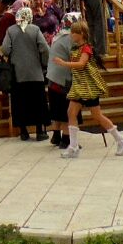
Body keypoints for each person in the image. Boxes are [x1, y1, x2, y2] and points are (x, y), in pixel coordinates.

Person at [56, 20, 123, 159]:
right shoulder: (76, 48)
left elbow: (81, 64)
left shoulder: (86, 49)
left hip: (88, 87)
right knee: (71, 113)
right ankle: (73, 146)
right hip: (78, 86)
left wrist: (64, 63)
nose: (71, 35)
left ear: (81, 34)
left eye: (74, 32)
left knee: (97, 115)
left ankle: (120, 139)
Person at [4, 5, 51, 140]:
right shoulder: (35, 29)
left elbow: (6, 49)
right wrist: (44, 63)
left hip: (18, 74)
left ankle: (23, 131)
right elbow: (45, 49)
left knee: (21, 103)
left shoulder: (11, 31)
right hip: (35, 73)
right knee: (38, 103)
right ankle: (40, 131)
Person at [45, 11, 81, 148]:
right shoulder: (71, 39)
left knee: (56, 109)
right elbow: (76, 59)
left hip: (52, 78)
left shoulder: (57, 37)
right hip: (64, 80)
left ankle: (56, 135)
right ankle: (66, 140)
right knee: (68, 111)